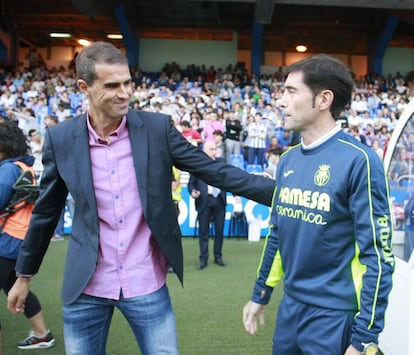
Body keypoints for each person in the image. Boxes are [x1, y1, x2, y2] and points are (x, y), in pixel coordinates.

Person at [7, 42, 275, 355]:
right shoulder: (61, 138)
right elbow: (46, 212)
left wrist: (283, 194)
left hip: (145, 281)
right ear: (84, 87)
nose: (125, 93)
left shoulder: (157, 128)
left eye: (128, 82)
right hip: (85, 287)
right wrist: (24, 276)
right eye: (112, 85)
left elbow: (214, 171)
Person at [242, 54, 394, 355]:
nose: (281, 101)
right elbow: (277, 234)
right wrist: (261, 292)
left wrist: (365, 335)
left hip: (335, 316)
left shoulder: (359, 160)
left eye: (291, 91)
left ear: (324, 99)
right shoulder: (287, 161)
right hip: (291, 309)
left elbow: (378, 254)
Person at [0, 121, 55, 350]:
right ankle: (42, 334)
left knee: (13, 284)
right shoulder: (24, 166)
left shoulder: (7, 169)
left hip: (8, 239)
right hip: (21, 238)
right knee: (13, 284)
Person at [188, 142, 227, 270]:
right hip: (204, 201)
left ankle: (218, 256)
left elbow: (229, 180)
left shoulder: (221, 163)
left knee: (219, 231)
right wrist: (193, 191)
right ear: (204, 151)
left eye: (215, 149)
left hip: (219, 200)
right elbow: (191, 184)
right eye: (211, 149)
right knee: (203, 232)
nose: (214, 151)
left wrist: (236, 193)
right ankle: (203, 258)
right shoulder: (197, 165)